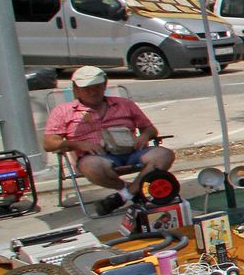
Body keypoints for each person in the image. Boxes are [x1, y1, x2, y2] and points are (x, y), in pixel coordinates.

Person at [43, 66, 176, 215]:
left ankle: (125, 195)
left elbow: (150, 129)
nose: (92, 92)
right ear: (76, 89)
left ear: (105, 85)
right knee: (92, 167)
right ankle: (134, 191)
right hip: (97, 157)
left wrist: (143, 137)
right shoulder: (63, 111)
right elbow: (49, 143)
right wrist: (78, 144)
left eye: (97, 87)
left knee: (164, 155)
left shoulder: (124, 104)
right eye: (86, 88)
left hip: (132, 151)